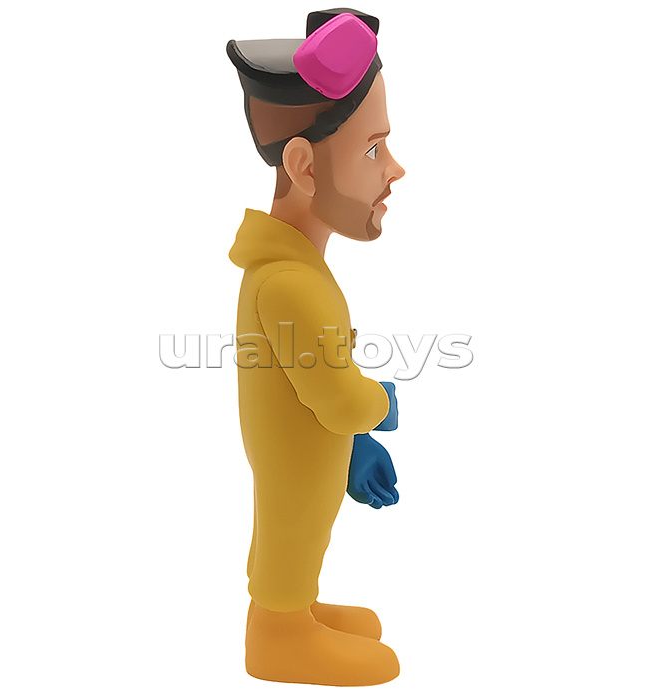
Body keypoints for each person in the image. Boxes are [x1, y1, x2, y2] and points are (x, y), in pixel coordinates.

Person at [227, 8, 405, 686]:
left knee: (303, 530)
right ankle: (277, 636)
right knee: (293, 530)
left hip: (309, 451)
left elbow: (315, 383)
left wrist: (352, 444)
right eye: (372, 150)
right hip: (298, 460)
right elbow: (335, 394)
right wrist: (379, 405)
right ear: (303, 165)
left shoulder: (297, 270)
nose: (395, 169)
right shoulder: (290, 284)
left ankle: (294, 612)